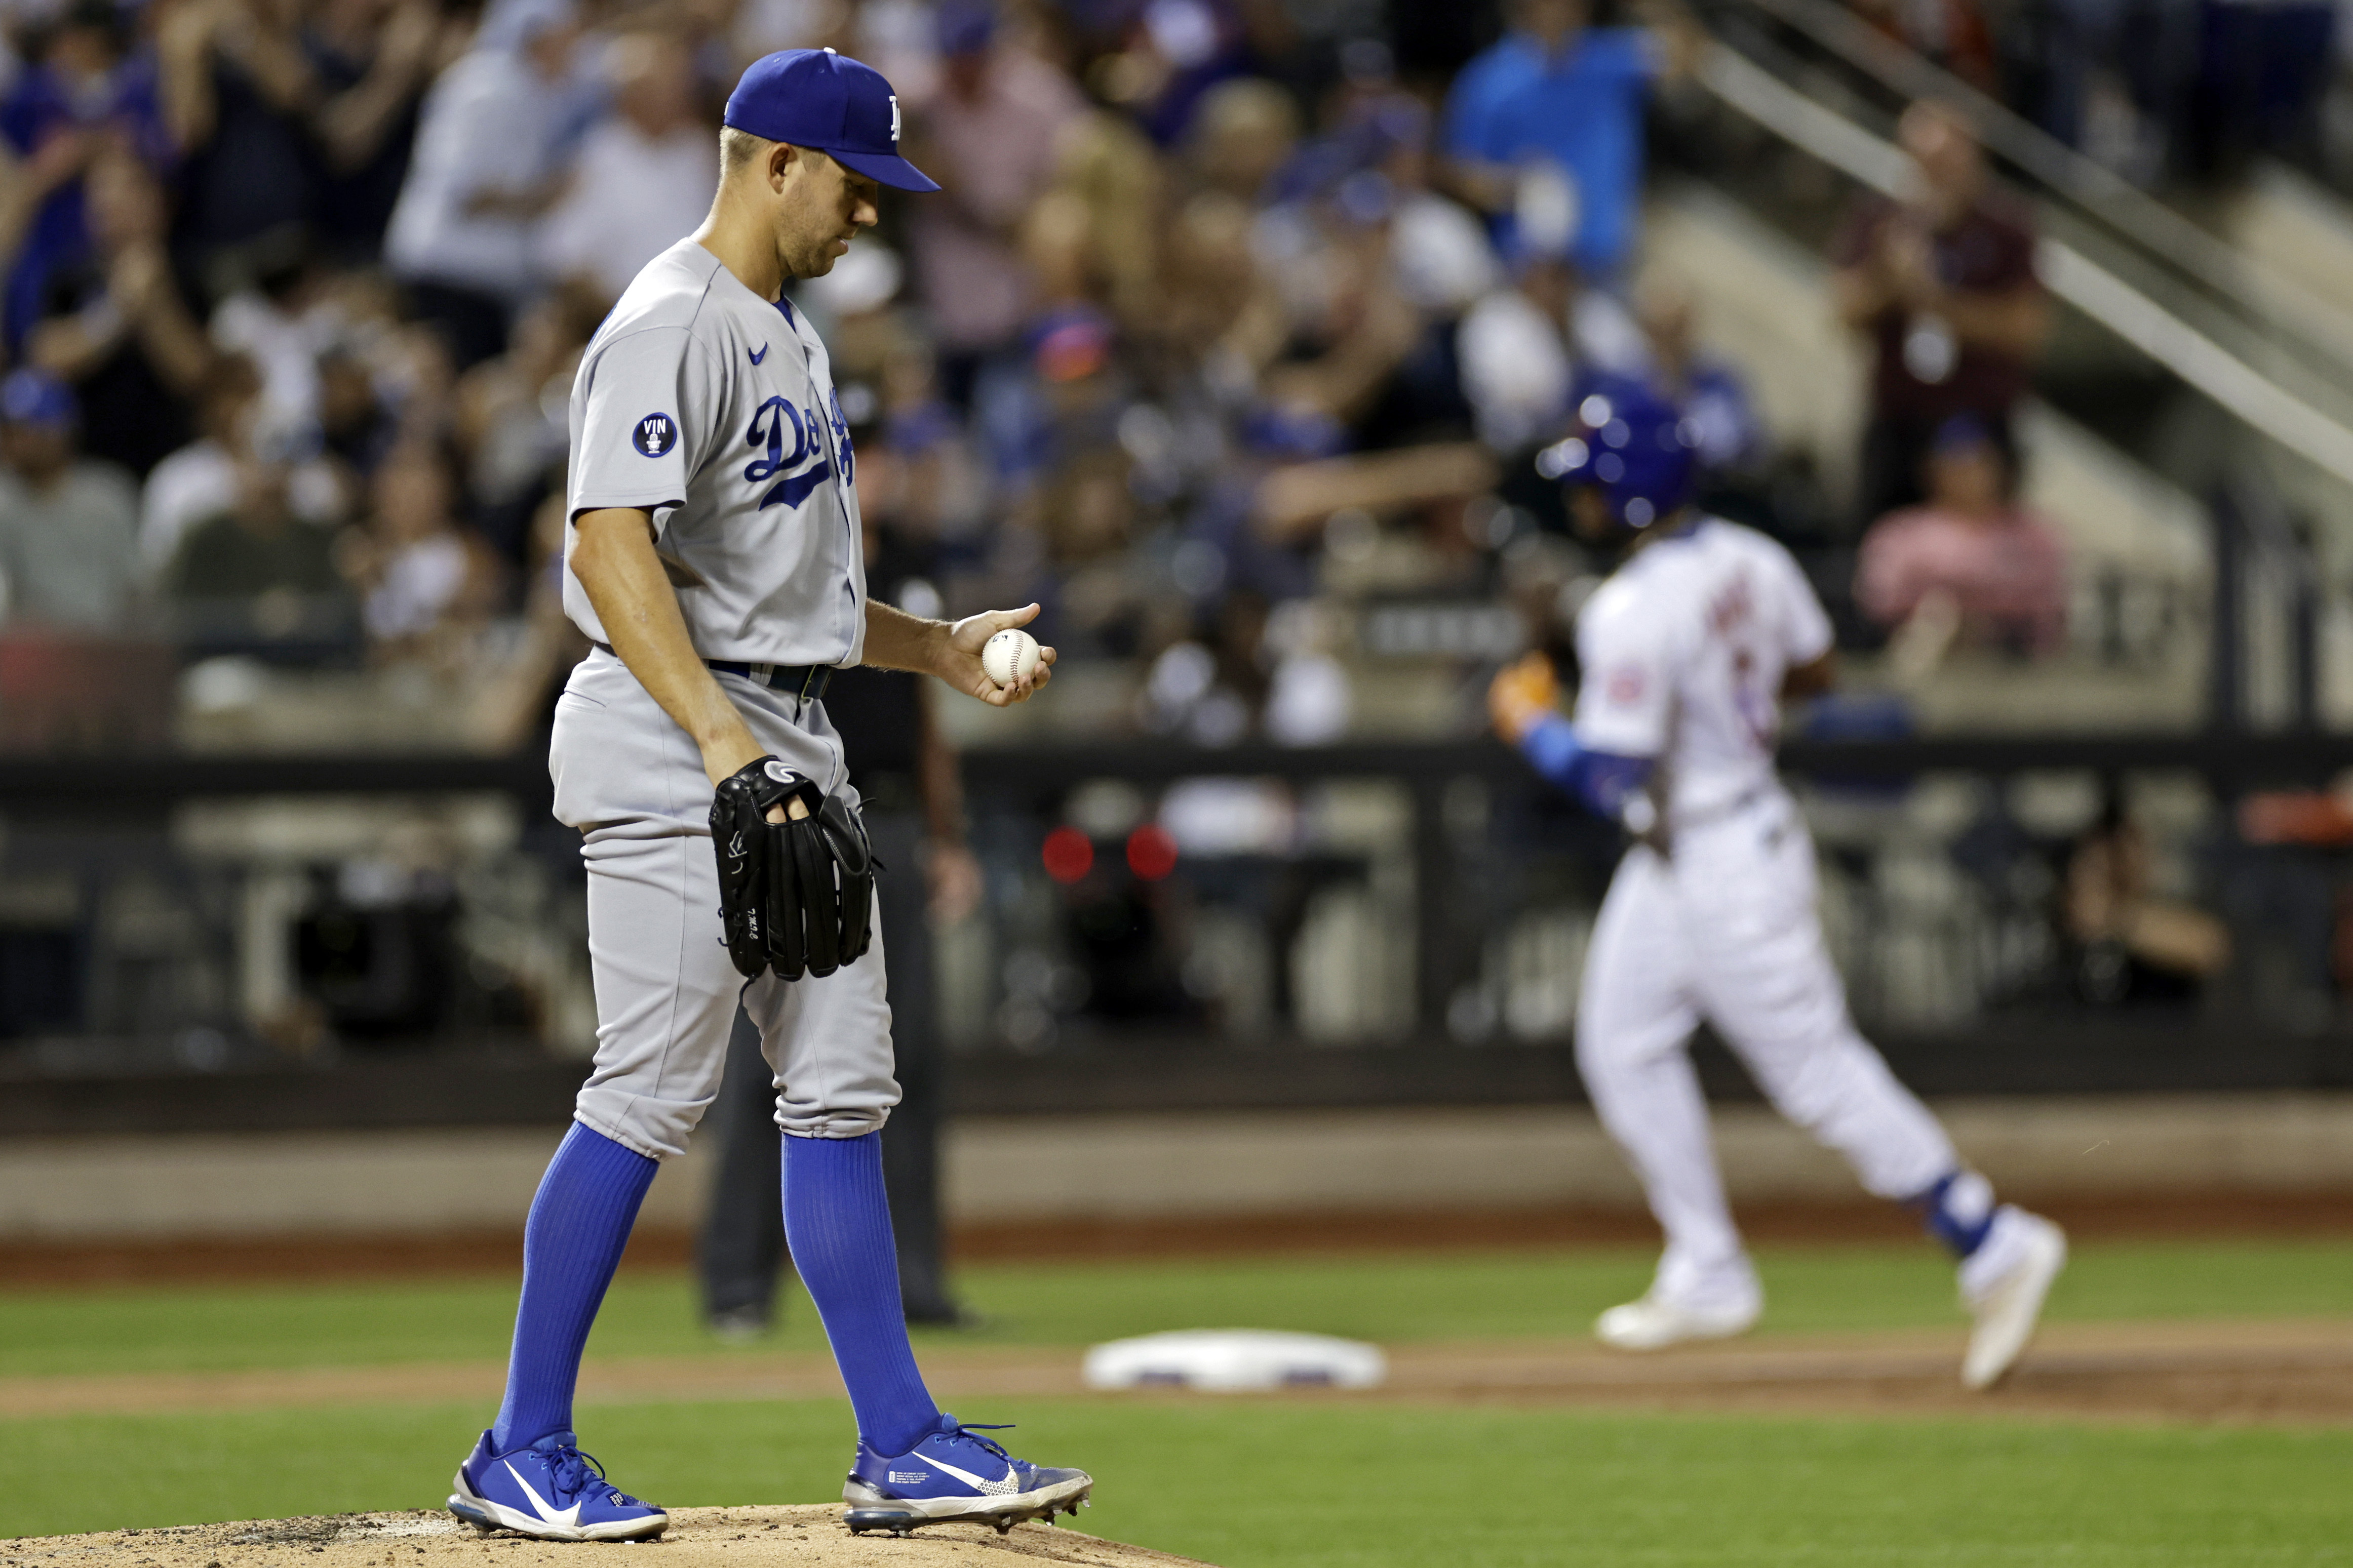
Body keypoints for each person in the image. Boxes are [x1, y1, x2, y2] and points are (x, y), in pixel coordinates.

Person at [443, 48, 1092, 1545]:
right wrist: (730, 752)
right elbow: (611, 548)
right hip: (681, 736)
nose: (868, 219)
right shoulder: (672, 319)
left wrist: (939, 649)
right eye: (856, 189)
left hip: (785, 734)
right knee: (651, 1094)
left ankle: (902, 1443)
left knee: (842, 1089)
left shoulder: (785, 337)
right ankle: (520, 1445)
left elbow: (792, 596)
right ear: (774, 163)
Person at [1486, 384, 2067, 1390]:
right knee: (1619, 1042)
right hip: (1693, 844)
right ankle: (1706, 1265)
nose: (1575, 501)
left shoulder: (1629, 606)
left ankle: (1988, 1236)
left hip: (1721, 857)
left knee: (1817, 1074)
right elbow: (1814, 672)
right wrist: (1721, 689)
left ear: (1623, 494)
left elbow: (1609, 778)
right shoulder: (1753, 557)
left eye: (1588, 482)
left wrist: (1530, 723)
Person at [1830, 102, 2048, 525]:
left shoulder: (2006, 227)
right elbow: (1843, 310)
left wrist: (1937, 301)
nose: (1936, 175)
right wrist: (1890, 280)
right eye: (1925, 163)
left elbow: (2028, 327)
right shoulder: (1881, 220)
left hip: (1979, 421)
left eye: (1946, 162)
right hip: (1899, 422)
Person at [1854, 415, 2068, 666]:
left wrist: (1973, 604)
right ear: (1931, 470)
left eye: (1977, 464)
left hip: (2011, 657)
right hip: (1927, 654)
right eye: (1954, 465)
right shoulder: (1899, 533)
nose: (1966, 476)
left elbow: (2048, 605)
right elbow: (1879, 601)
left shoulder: (2035, 534)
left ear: (2000, 468)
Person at [0, 368, 140, 631]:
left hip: (104, 645)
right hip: (22, 651)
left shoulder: (107, 495)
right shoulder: (3, 500)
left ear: (64, 430)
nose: (21, 441)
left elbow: (134, 590)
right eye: (12, 430)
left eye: (35, 428)